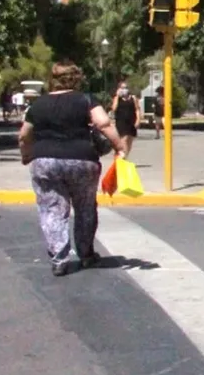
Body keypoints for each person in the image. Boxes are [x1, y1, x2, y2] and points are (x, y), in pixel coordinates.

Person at [18, 61, 125, 276]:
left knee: (52, 209)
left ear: (53, 79)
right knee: (85, 207)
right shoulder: (86, 99)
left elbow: (24, 135)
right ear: (76, 79)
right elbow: (103, 123)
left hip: (45, 161)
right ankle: (86, 255)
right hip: (82, 160)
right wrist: (119, 146)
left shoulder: (38, 104)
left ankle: (59, 258)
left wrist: (26, 155)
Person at [111, 80, 141, 157]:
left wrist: (138, 120)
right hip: (121, 122)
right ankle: (123, 158)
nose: (125, 89)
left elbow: (137, 109)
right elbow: (114, 108)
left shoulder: (133, 98)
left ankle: (124, 156)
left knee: (129, 141)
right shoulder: (117, 98)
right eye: (122, 88)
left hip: (131, 121)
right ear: (119, 89)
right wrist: (117, 96)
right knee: (124, 139)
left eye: (126, 88)